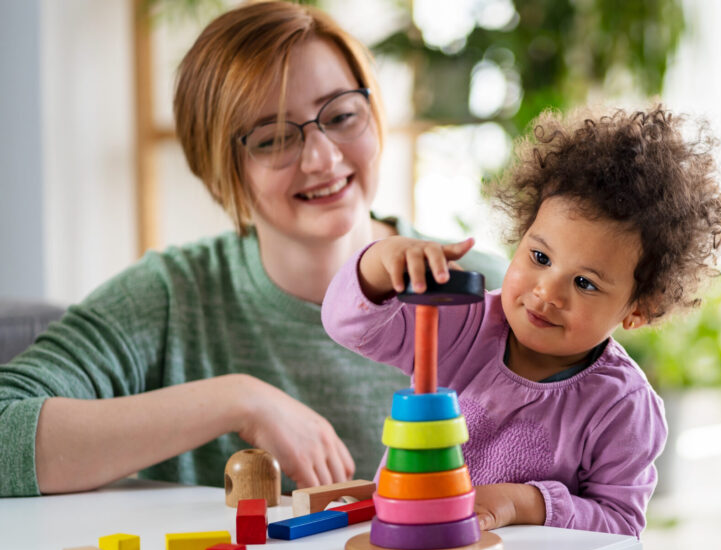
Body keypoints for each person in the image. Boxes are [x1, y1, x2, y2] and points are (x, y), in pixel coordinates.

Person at [0, 1, 502, 498]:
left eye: (343, 114)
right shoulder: (171, 299)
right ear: (221, 167)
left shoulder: (492, 294)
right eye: (273, 138)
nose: (323, 157)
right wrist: (237, 400)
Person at [322, 105, 721, 550]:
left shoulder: (623, 405)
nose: (546, 293)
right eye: (539, 257)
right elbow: (349, 325)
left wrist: (528, 504)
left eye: (584, 282)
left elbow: (620, 527)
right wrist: (378, 267)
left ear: (637, 310)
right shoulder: (463, 324)